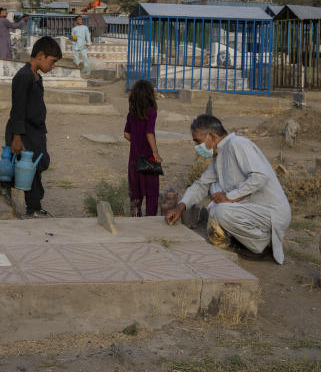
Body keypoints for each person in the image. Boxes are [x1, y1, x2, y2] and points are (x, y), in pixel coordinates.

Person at [165, 115, 292, 264]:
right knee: (214, 198)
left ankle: (264, 244)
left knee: (221, 211)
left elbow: (260, 176)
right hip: (252, 209)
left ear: (212, 136)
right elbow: (202, 184)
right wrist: (181, 207)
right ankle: (249, 239)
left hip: (270, 211)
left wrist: (231, 196)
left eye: (197, 141)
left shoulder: (237, 144)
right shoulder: (219, 155)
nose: (195, 145)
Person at [0, 36, 62, 218]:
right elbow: (18, 108)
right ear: (41, 55)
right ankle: (32, 207)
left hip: (35, 131)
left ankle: (10, 191)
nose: (53, 66)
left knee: (37, 165)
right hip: (23, 130)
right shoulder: (23, 76)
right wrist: (17, 137)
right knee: (30, 167)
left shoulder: (36, 77)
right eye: (52, 62)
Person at [124, 79, 162, 217]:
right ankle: (151, 219)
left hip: (134, 158)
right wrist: (155, 152)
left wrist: (137, 142)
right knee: (152, 192)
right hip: (148, 158)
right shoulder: (151, 113)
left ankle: (135, 217)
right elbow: (149, 132)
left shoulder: (131, 114)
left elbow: (126, 134)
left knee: (135, 191)